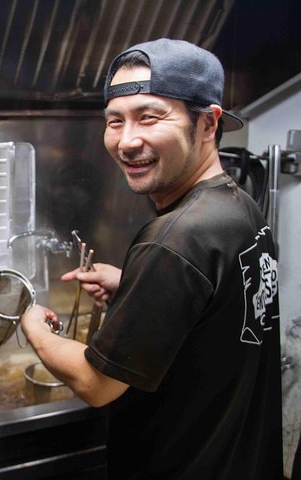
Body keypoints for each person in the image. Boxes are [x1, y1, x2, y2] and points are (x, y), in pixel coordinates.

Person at [21, 38, 282, 479]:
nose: (126, 141)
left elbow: (96, 383)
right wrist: (135, 285)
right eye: (114, 121)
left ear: (207, 124)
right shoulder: (238, 205)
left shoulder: (173, 239)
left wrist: (34, 329)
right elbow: (216, 317)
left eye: (150, 117)